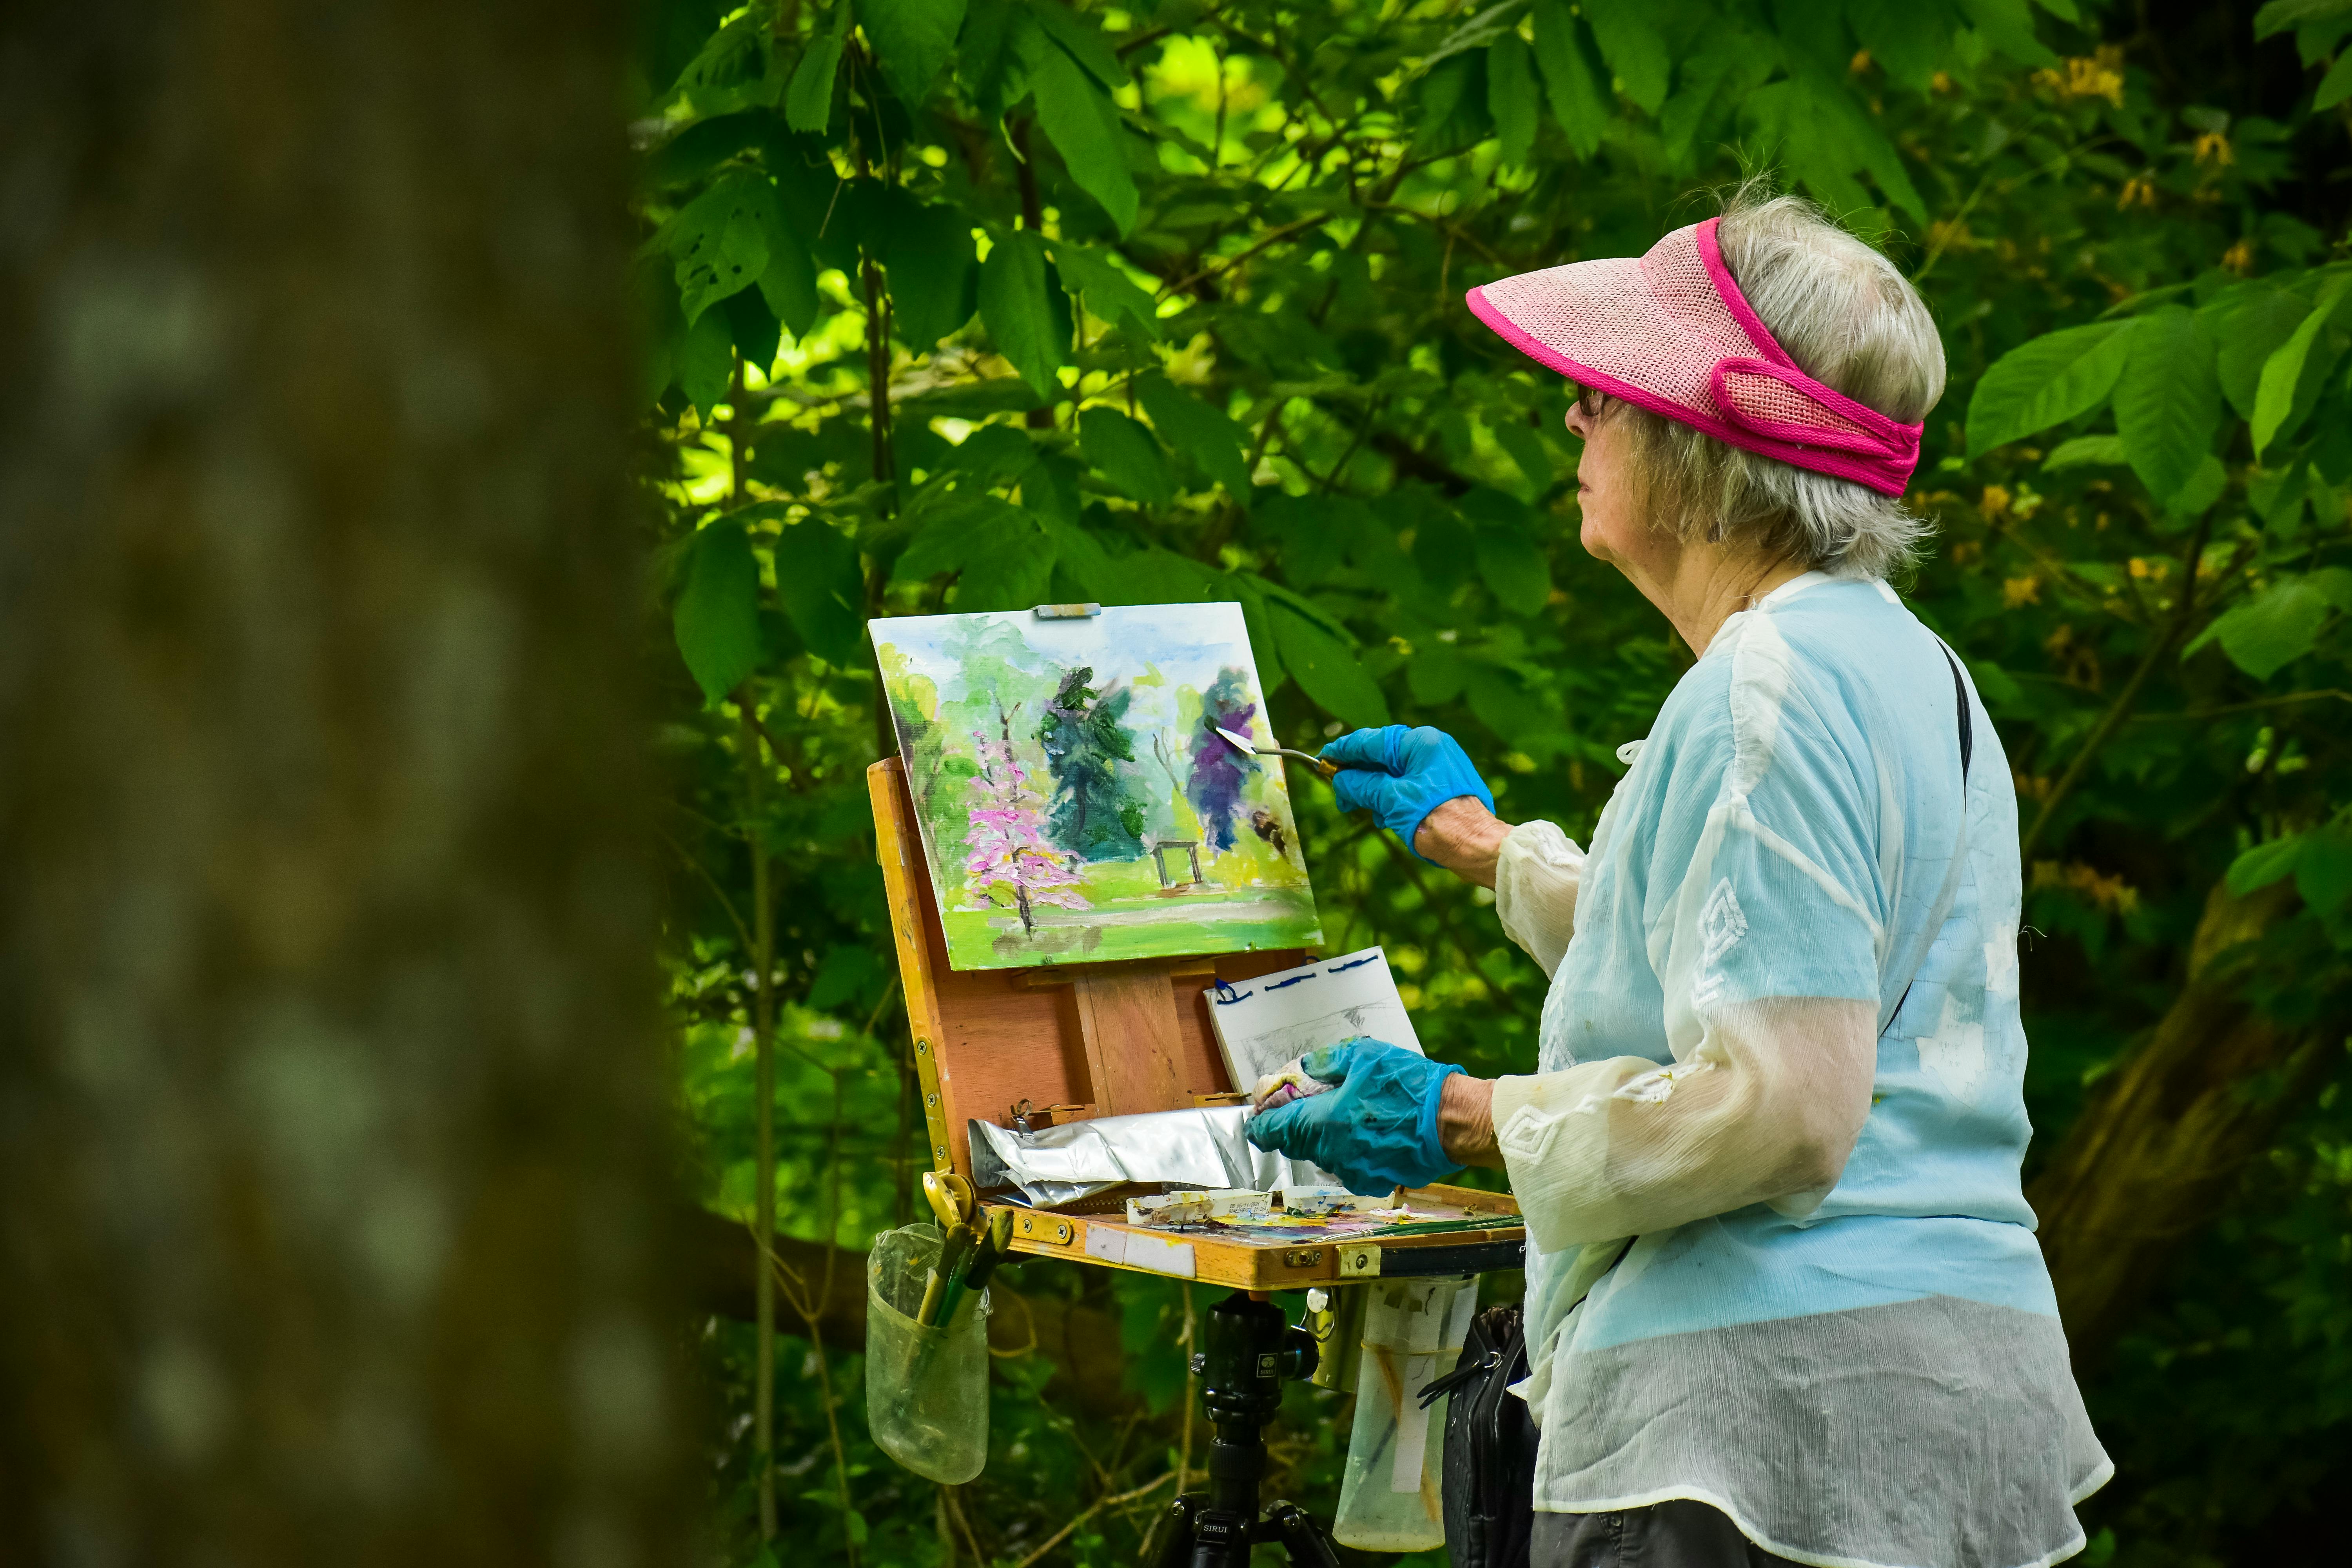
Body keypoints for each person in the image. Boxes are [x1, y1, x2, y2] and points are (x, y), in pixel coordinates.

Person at [1246, 190, 2110, 1568]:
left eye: (1608, 394)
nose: (1576, 421)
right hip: (1939, 1404)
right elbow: (1774, 954)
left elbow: (1784, 1110)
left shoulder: (1764, 687)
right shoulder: (1903, 663)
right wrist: (1489, 849)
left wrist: (1464, 1119)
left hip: (1758, 1439)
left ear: (1713, 440)